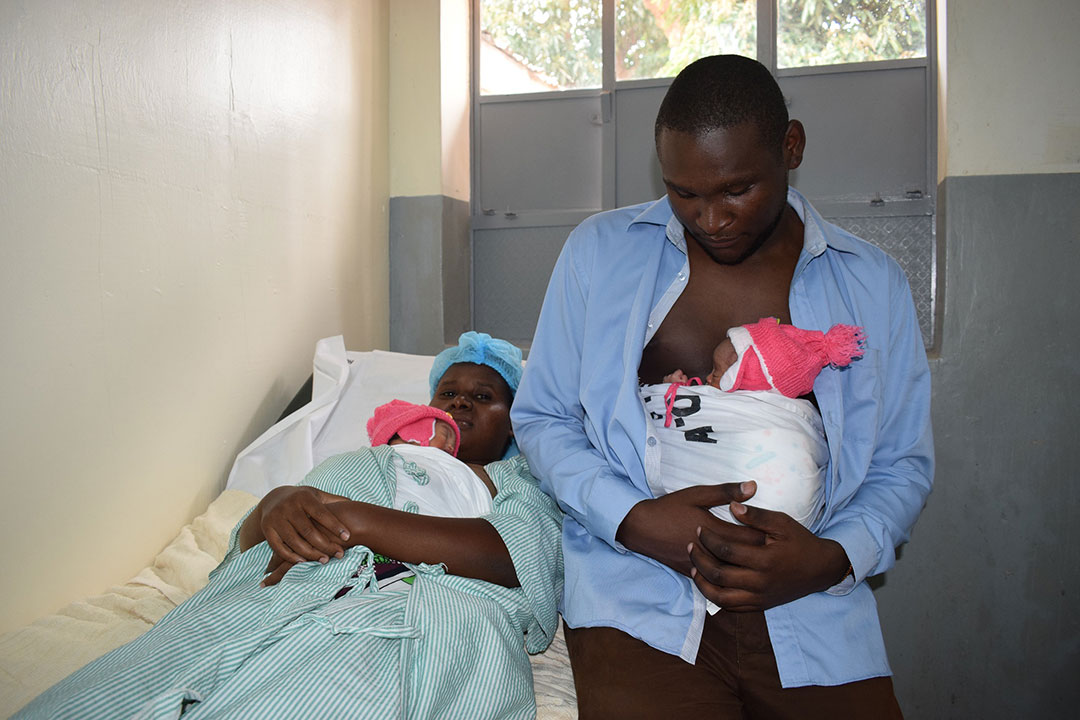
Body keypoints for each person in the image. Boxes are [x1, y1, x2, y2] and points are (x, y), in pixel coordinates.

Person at [512, 55, 933, 718]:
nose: (710, 218)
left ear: (790, 148)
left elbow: (901, 462)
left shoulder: (870, 284)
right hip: (639, 598)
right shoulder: (601, 252)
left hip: (810, 607)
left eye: (737, 189)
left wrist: (828, 559)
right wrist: (634, 520)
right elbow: (542, 417)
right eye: (685, 193)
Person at [18, 332, 564, 720]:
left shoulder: (514, 481)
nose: (461, 400)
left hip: (402, 610)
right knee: (121, 689)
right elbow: (250, 545)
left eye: (484, 396)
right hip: (277, 589)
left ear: (514, 422)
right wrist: (275, 503)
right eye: (448, 393)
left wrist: (352, 518)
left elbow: (512, 557)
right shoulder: (370, 458)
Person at [647, 317, 864, 531]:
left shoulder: (769, 413)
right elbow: (694, 420)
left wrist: (676, 396)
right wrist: (678, 392)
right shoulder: (726, 408)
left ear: (745, 381)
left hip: (771, 491)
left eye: (717, 372)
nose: (708, 378)